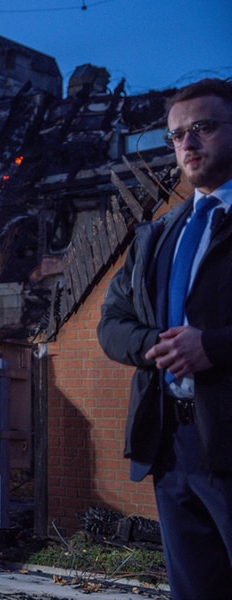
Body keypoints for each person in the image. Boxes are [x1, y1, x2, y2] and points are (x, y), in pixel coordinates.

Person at [96, 78, 232, 600]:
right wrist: (161, 344)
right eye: (177, 135)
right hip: (169, 444)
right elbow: (112, 324)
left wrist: (212, 347)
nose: (188, 144)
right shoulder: (160, 234)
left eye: (203, 128)